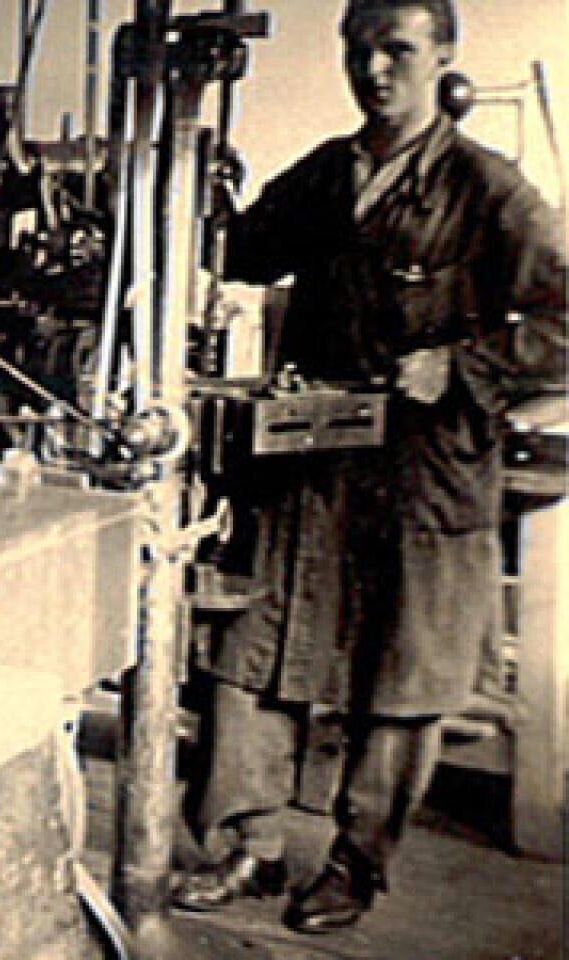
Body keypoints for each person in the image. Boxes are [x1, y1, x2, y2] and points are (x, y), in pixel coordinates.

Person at [175, 0, 565, 933]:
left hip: (423, 475)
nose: (375, 70)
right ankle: (251, 843)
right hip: (310, 459)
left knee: (402, 677)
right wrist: (191, 178)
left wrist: (461, 364)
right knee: (256, 647)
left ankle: (356, 865)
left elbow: (564, 326)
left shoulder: (489, 188)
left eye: (397, 50)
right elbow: (240, 252)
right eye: (361, 51)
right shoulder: (326, 172)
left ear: (442, 58)